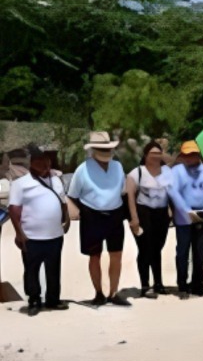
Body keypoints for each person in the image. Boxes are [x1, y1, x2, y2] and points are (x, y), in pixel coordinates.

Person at [67, 131, 130, 307]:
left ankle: (114, 292)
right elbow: (72, 195)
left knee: (116, 255)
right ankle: (98, 293)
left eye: (107, 147)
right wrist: (77, 213)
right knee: (94, 256)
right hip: (91, 215)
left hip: (115, 214)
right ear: (93, 149)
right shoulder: (82, 169)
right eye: (101, 148)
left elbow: (123, 191)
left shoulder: (117, 167)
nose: (105, 151)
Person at [8, 147, 70, 316]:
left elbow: (63, 202)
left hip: (55, 235)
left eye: (46, 160)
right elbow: (14, 210)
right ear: (32, 163)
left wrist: (67, 219)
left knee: (53, 269)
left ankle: (53, 299)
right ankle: (34, 300)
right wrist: (19, 233)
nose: (44, 164)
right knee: (31, 270)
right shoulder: (21, 183)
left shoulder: (57, 180)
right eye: (39, 161)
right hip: (31, 237)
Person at [169, 140, 203, 299]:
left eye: (193, 154)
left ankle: (198, 284)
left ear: (198, 155)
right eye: (186, 155)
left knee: (200, 252)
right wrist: (185, 210)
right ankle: (182, 286)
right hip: (184, 216)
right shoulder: (177, 171)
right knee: (182, 251)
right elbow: (173, 191)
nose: (190, 157)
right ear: (182, 156)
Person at [126, 141, 173, 298]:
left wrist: (170, 210)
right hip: (143, 213)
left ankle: (158, 283)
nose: (155, 157)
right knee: (145, 248)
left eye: (158, 154)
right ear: (145, 155)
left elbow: (171, 191)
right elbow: (130, 196)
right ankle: (145, 284)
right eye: (152, 154)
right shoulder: (136, 173)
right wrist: (134, 218)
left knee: (157, 247)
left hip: (161, 214)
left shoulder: (167, 171)